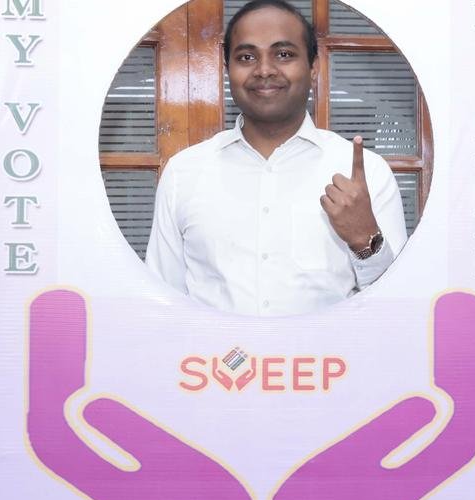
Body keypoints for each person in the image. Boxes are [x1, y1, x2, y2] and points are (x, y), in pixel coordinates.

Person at [145, 0, 407, 316]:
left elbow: (396, 312)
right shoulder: (184, 173)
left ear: (313, 68)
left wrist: (365, 241)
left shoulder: (368, 175)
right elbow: (163, 304)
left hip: (330, 350)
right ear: (228, 70)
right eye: (246, 57)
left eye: (283, 54)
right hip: (214, 350)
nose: (264, 70)